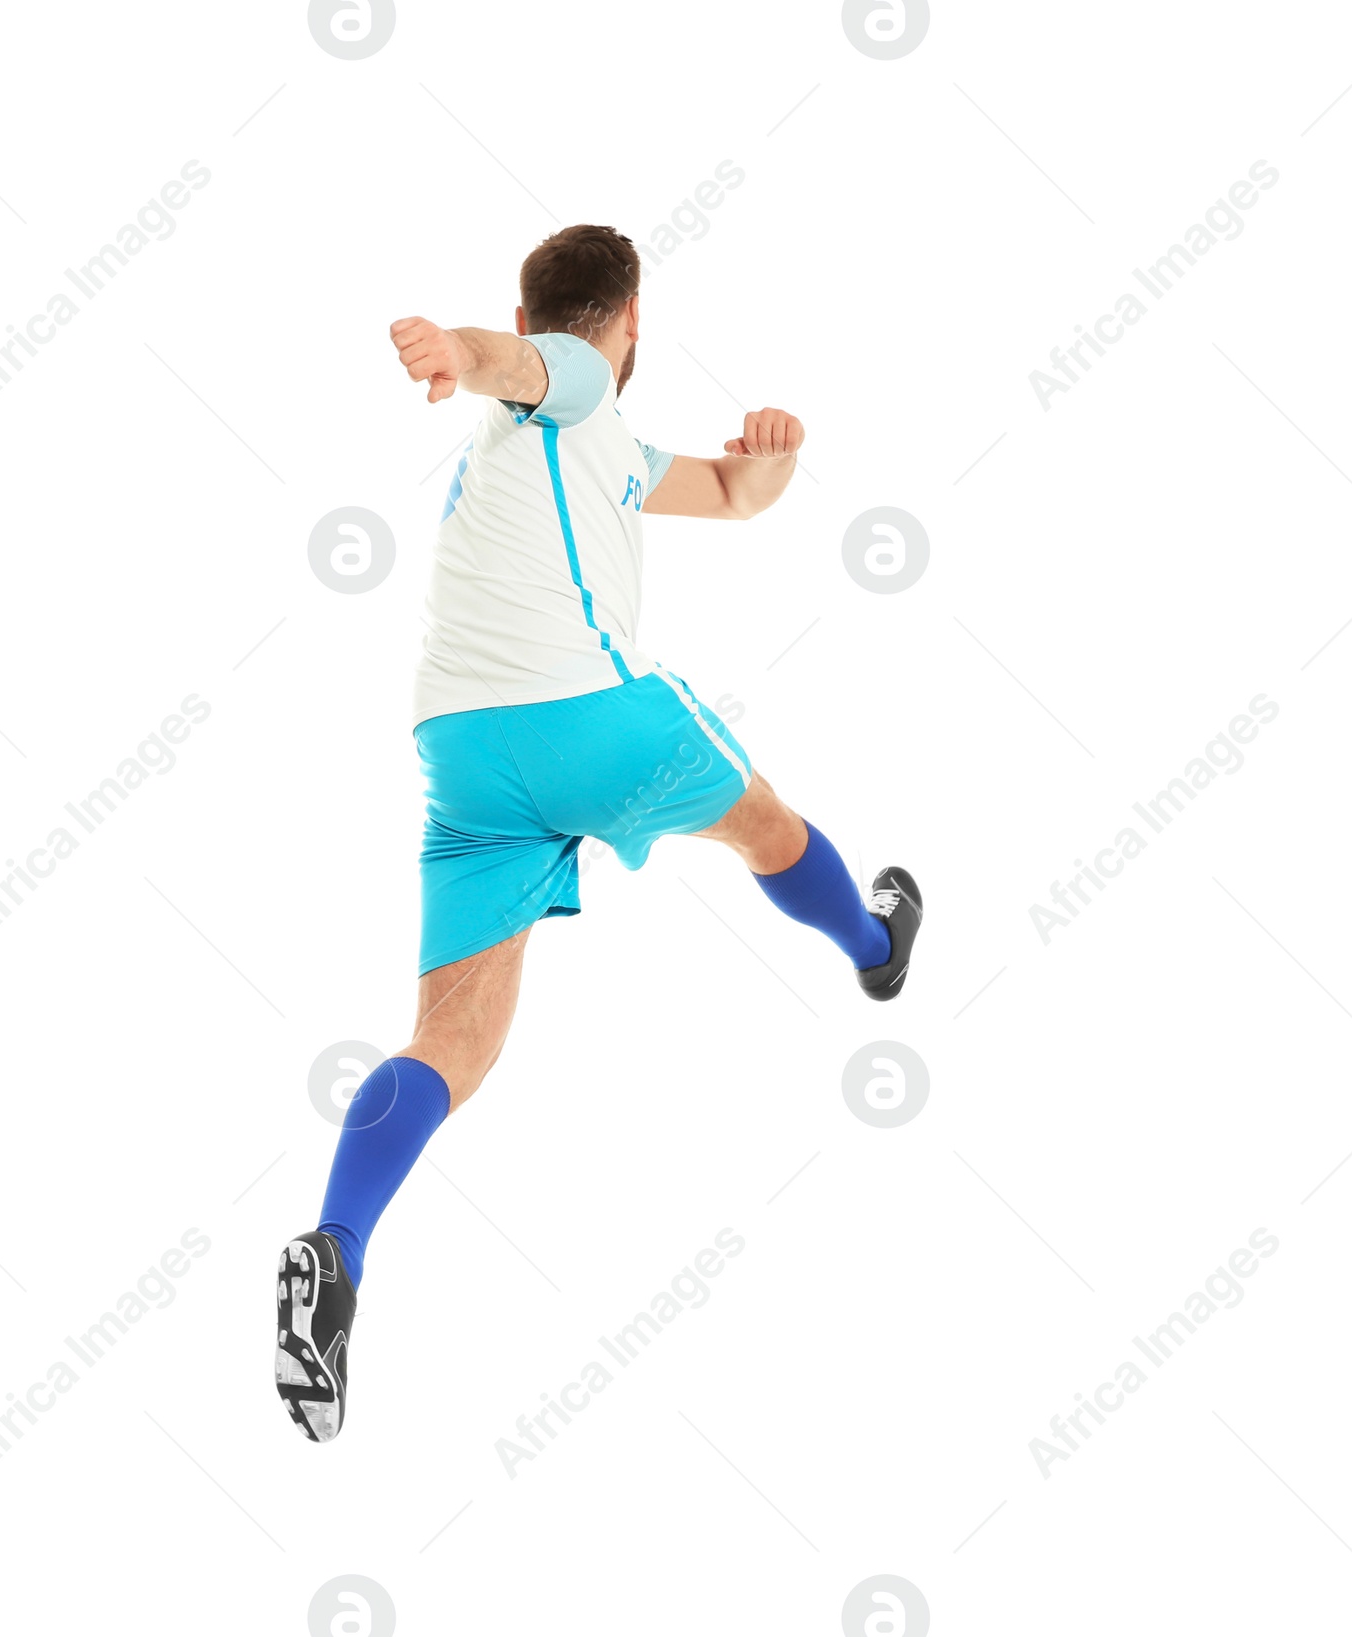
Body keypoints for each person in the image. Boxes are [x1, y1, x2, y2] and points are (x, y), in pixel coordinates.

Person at [275, 224, 922, 1442]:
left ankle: (336, 1245)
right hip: (587, 718)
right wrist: (450, 348)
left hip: (463, 760)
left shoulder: (602, 444)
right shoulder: (564, 381)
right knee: (768, 827)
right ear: (628, 325)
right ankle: (876, 942)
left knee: (450, 1040)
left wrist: (769, 459)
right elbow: (512, 366)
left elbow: (727, 493)